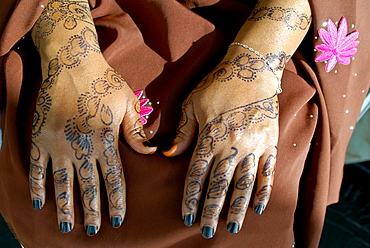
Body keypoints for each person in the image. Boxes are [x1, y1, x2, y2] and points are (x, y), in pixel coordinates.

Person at [0, 0, 368, 247]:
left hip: (260, 17)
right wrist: (70, 57)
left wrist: (257, 66)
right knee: (73, 172)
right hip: (86, 13)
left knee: (245, 184)